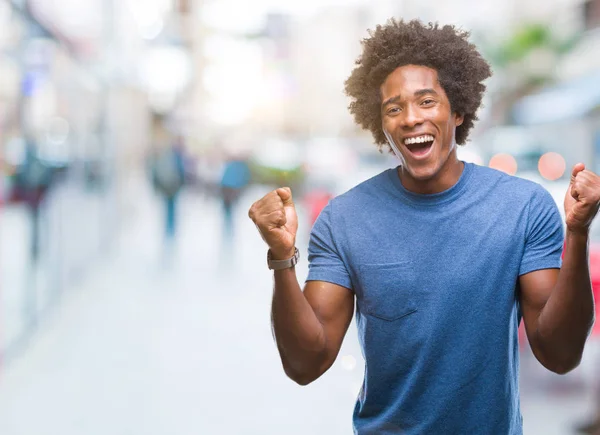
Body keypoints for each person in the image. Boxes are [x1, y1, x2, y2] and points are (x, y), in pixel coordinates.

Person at [247, 19, 599, 434]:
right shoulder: (344, 219)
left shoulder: (523, 207)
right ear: (382, 126)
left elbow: (560, 354)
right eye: (393, 108)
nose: (410, 118)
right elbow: (306, 363)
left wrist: (577, 233)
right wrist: (281, 257)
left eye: (427, 101)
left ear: (458, 110)